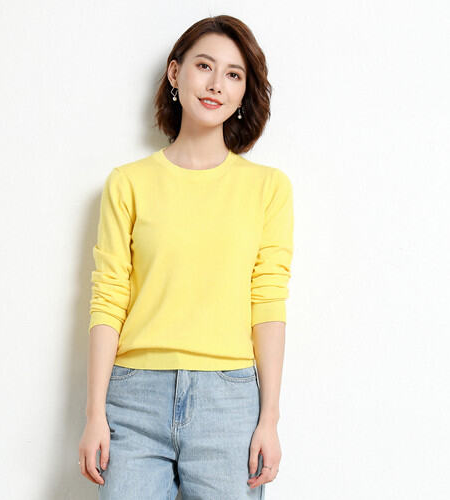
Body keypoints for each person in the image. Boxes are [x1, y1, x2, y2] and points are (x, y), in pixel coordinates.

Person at [78, 14, 294, 499]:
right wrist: (95, 415)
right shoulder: (128, 183)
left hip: (229, 403)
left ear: (244, 91)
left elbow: (268, 302)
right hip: (134, 398)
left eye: (233, 74)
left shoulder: (268, 188)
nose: (216, 84)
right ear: (175, 73)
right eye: (204, 66)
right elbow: (108, 298)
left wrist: (269, 419)